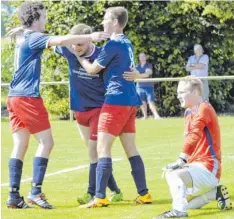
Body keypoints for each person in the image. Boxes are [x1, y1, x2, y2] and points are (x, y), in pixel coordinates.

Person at [6, 1, 109, 209]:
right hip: (27, 97)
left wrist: (19, 28)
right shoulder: (34, 37)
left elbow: (28, 34)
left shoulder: (22, 35)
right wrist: (89, 37)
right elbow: (62, 40)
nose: (46, 20)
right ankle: (35, 191)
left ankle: (14, 196)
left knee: (20, 145)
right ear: (35, 18)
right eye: (44, 16)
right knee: (46, 143)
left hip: (13, 96)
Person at [77, 6, 152, 208]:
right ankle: (144, 194)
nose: (103, 22)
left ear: (115, 22)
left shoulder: (112, 45)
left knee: (102, 148)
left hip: (116, 101)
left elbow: (93, 70)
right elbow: (129, 69)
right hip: (130, 101)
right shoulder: (127, 43)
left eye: (106, 19)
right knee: (131, 148)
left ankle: (100, 197)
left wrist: (80, 58)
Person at [54, 23, 122, 204]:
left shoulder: (102, 54)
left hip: (98, 109)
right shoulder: (69, 50)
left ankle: (91, 193)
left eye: (80, 44)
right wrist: (26, 32)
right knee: (95, 154)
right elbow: (51, 42)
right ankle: (115, 190)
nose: (76, 48)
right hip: (79, 110)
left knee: (94, 152)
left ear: (89, 41)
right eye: (74, 44)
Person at [155, 76, 232, 218]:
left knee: (173, 176)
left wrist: (181, 161)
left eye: (182, 92)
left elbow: (194, 135)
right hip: (198, 167)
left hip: (209, 167)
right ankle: (215, 193)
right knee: (185, 199)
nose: (178, 96)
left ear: (195, 92)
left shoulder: (204, 108)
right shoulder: (188, 112)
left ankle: (179, 212)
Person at [135, 52, 160, 119]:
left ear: (146, 57)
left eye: (143, 56)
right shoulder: (136, 66)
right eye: (141, 57)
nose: (142, 58)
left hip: (148, 86)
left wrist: (139, 75)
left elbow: (147, 74)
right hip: (139, 87)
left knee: (150, 101)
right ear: (139, 58)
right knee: (142, 103)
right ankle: (145, 116)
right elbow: (135, 76)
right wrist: (141, 75)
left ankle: (156, 116)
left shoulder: (149, 65)